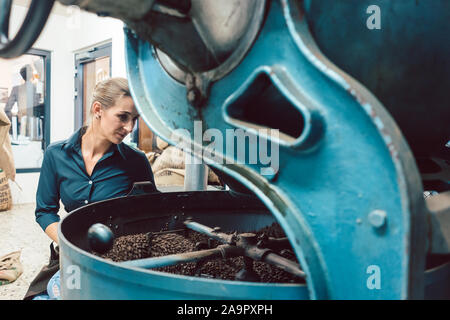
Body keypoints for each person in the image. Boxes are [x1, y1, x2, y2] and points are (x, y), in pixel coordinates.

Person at [24, 77, 157, 300]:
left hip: (118, 258)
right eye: (123, 117)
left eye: (134, 119)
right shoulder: (56, 155)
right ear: (98, 109)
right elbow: (44, 211)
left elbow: (153, 214)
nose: (130, 128)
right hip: (71, 254)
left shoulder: (136, 161)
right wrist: (72, 245)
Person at [4, 64, 40, 136]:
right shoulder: (37, 88)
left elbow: (7, 109)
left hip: (22, 124)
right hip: (34, 126)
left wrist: (16, 119)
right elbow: (38, 108)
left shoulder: (16, 89)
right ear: (31, 74)